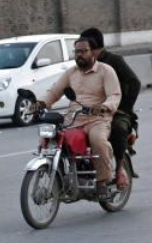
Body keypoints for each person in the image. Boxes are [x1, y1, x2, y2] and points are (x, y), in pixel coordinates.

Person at [33, 37, 122, 199]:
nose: (79, 55)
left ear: (93, 52)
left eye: (83, 51)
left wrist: (104, 106)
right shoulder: (71, 73)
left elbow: (114, 95)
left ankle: (102, 181)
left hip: (98, 119)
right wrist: (40, 103)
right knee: (50, 140)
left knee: (98, 141)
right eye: (76, 52)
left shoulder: (105, 71)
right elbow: (54, 92)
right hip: (73, 119)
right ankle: (58, 176)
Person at [77, 28, 141, 187]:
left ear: (96, 48)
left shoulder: (115, 61)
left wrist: (123, 108)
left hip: (117, 112)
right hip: (91, 112)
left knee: (117, 128)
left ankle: (119, 170)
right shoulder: (84, 64)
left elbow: (135, 83)